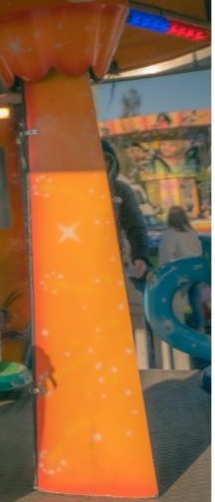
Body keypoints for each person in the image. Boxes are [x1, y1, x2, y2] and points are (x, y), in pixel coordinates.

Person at [102, 139, 153, 368]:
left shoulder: (120, 189)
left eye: (105, 160)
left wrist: (140, 255)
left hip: (115, 264)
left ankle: (134, 364)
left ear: (112, 162)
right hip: (79, 267)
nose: (100, 164)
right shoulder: (70, 191)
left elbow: (135, 225)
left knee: (133, 312)